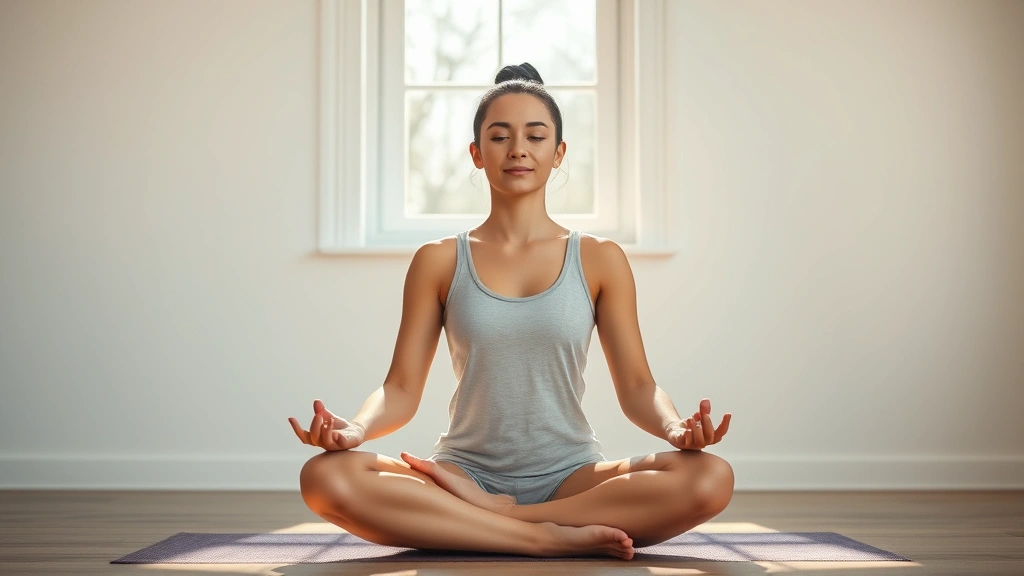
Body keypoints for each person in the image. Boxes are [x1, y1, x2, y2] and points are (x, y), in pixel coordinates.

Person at [288, 62, 734, 561]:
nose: (518, 149)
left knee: (709, 477)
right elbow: (400, 389)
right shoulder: (437, 260)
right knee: (326, 476)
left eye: (536, 136)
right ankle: (542, 537)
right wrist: (355, 430)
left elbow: (637, 387)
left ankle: (494, 523)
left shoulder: (599, 259)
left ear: (558, 153)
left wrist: (675, 428)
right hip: (461, 474)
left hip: (572, 478)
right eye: (499, 137)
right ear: (477, 155)